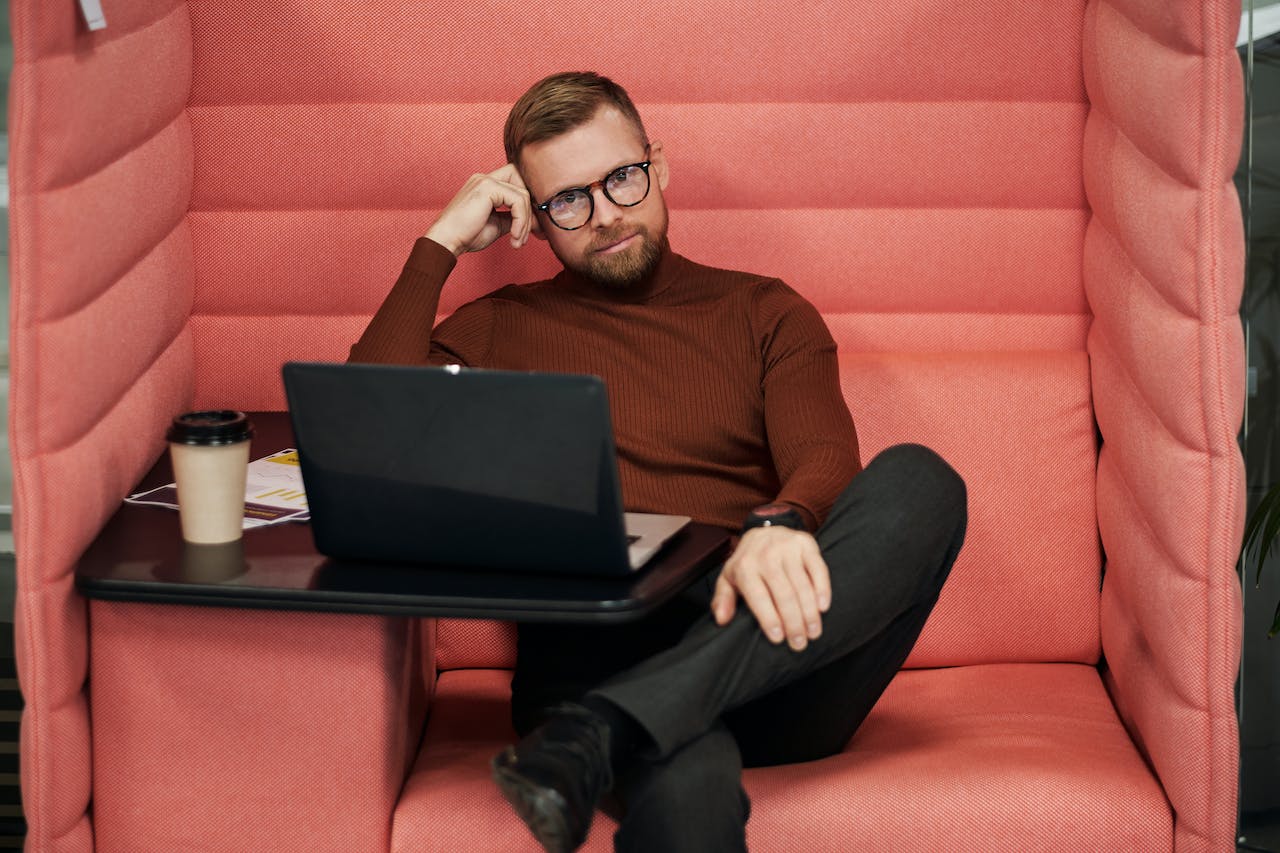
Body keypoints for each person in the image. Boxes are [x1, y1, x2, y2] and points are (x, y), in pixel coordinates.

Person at [350, 71, 967, 853]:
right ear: (536, 224)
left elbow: (822, 455)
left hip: (769, 646)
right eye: (569, 201)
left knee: (923, 480)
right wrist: (440, 243)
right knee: (688, 788)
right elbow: (371, 435)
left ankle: (598, 732)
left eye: (623, 179)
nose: (606, 216)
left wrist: (782, 524)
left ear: (659, 165)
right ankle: (617, 722)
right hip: (589, 651)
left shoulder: (764, 310)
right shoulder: (501, 326)